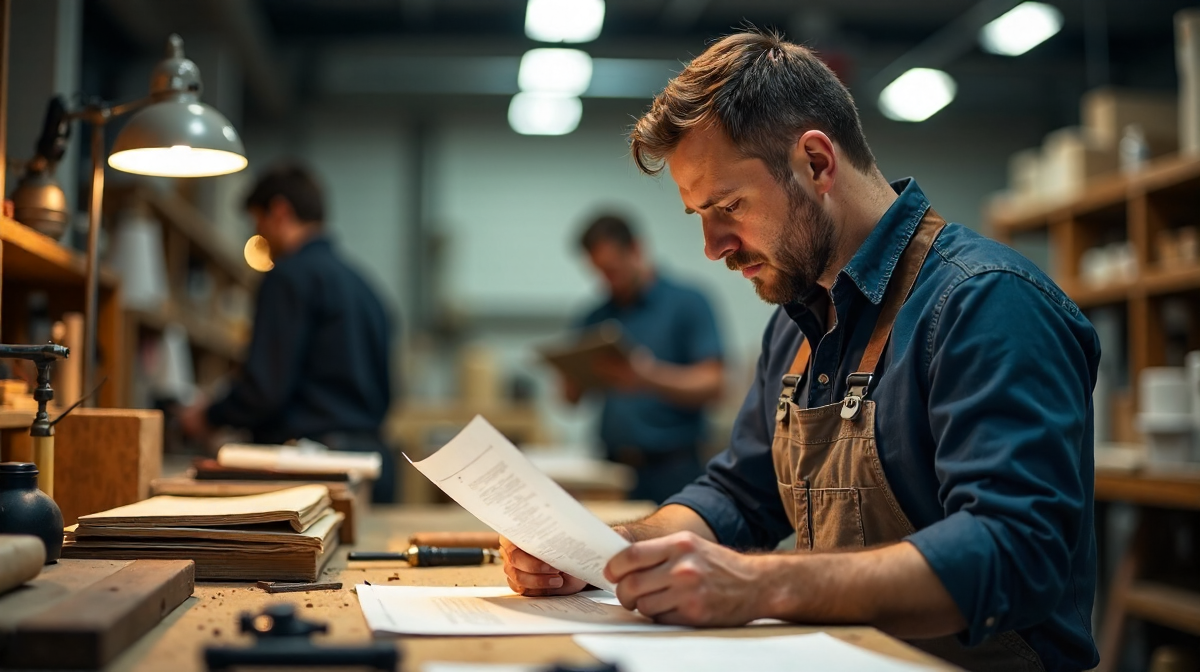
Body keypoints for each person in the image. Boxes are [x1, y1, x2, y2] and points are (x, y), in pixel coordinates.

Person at [502, 30, 1100, 672]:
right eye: (699, 215)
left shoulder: (985, 303)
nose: (713, 246)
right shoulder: (797, 323)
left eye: (729, 205)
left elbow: (1014, 553)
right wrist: (615, 549)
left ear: (816, 162)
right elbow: (739, 496)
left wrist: (763, 586)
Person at [180, 164, 397, 503]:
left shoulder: (289, 277)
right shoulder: (367, 287)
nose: (260, 239)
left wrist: (207, 416)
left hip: (313, 469)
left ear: (279, 211)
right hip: (372, 464)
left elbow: (264, 390)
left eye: (258, 224)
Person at [565, 214, 725, 504]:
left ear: (636, 250)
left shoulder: (688, 302)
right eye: (599, 272)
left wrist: (647, 377)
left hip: (675, 468)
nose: (607, 281)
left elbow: (714, 383)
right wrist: (572, 375)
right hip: (611, 468)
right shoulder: (594, 317)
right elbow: (570, 400)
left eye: (612, 270)